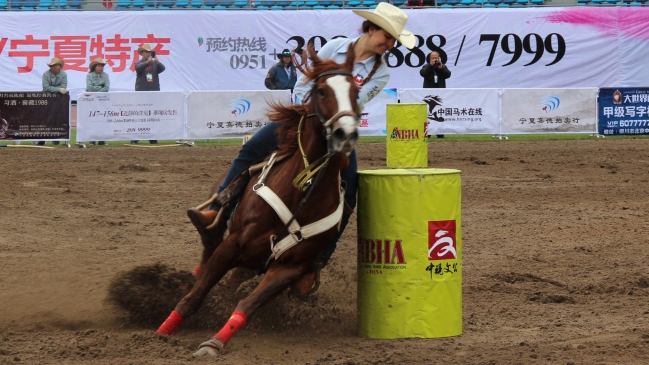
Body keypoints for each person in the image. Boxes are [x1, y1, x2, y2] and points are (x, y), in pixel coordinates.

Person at [188, 2, 415, 275]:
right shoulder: (335, 47)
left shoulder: (380, 73)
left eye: (394, 40)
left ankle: (316, 261)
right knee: (249, 151)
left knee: (351, 190)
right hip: (305, 116)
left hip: (337, 129)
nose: (390, 44)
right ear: (371, 28)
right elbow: (306, 81)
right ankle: (216, 212)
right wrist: (305, 110)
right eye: (387, 36)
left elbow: (355, 103)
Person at [133, 43, 165, 145]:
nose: (148, 53)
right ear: (142, 53)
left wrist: (158, 63)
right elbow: (138, 69)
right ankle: (136, 137)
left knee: (152, 115)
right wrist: (147, 63)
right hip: (142, 92)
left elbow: (162, 69)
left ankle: (152, 137)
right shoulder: (139, 63)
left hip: (153, 91)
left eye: (149, 52)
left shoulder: (154, 64)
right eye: (146, 52)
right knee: (140, 115)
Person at [420, 51, 451, 138]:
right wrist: (430, 65)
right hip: (428, 94)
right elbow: (423, 73)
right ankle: (428, 132)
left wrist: (441, 67)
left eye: (436, 58)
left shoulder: (442, 66)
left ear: (439, 58)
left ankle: (440, 132)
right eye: (432, 58)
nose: (434, 59)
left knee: (439, 112)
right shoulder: (426, 66)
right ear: (429, 59)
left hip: (440, 94)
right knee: (428, 113)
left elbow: (448, 75)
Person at [41, 57, 68, 146]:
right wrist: (58, 89)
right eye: (52, 66)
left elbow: (64, 86)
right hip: (46, 99)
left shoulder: (64, 74)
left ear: (60, 66)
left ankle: (56, 138)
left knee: (58, 118)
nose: (54, 67)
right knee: (45, 118)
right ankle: (42, 139)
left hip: (59, 100)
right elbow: (46, 87)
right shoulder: (45, 74)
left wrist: (59, 90)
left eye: (56, 65)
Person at [86, 57, 110, 145]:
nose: (100, 68)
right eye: (99, 66)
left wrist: (98, 90)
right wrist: (100, 88)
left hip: (102, 100)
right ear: (95, 67)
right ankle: (92, 140)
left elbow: (107, 88)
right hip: (92, 101)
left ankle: (101, 140)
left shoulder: (106, 75)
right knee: (93, 120)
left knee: (102, 119)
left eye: (102, 66)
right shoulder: (89, 75)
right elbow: (89, 88)